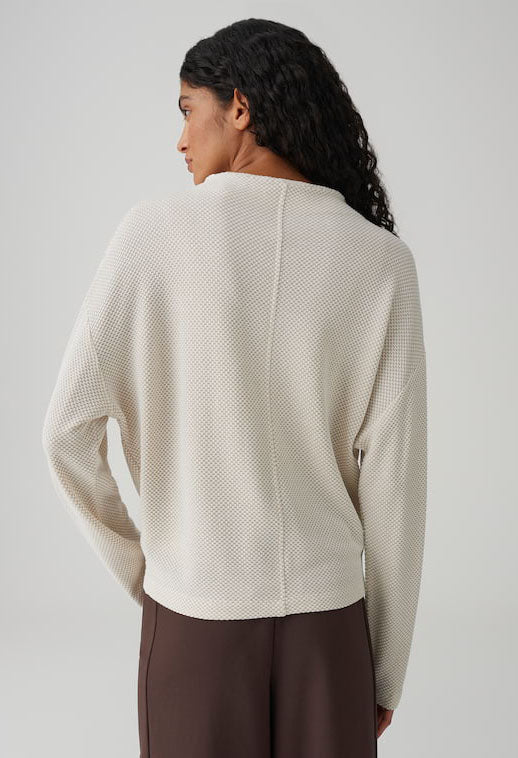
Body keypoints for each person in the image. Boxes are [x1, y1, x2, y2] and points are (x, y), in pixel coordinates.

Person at [41, 17, 427, 758]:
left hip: (195, 624)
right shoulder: (381, 263)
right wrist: (381, 667)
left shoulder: (152, 236)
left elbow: (65, 434)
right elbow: (397, 488)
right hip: (330, 632)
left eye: (188, 110)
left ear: (240, 108)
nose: (180, 140)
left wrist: (152, 574)